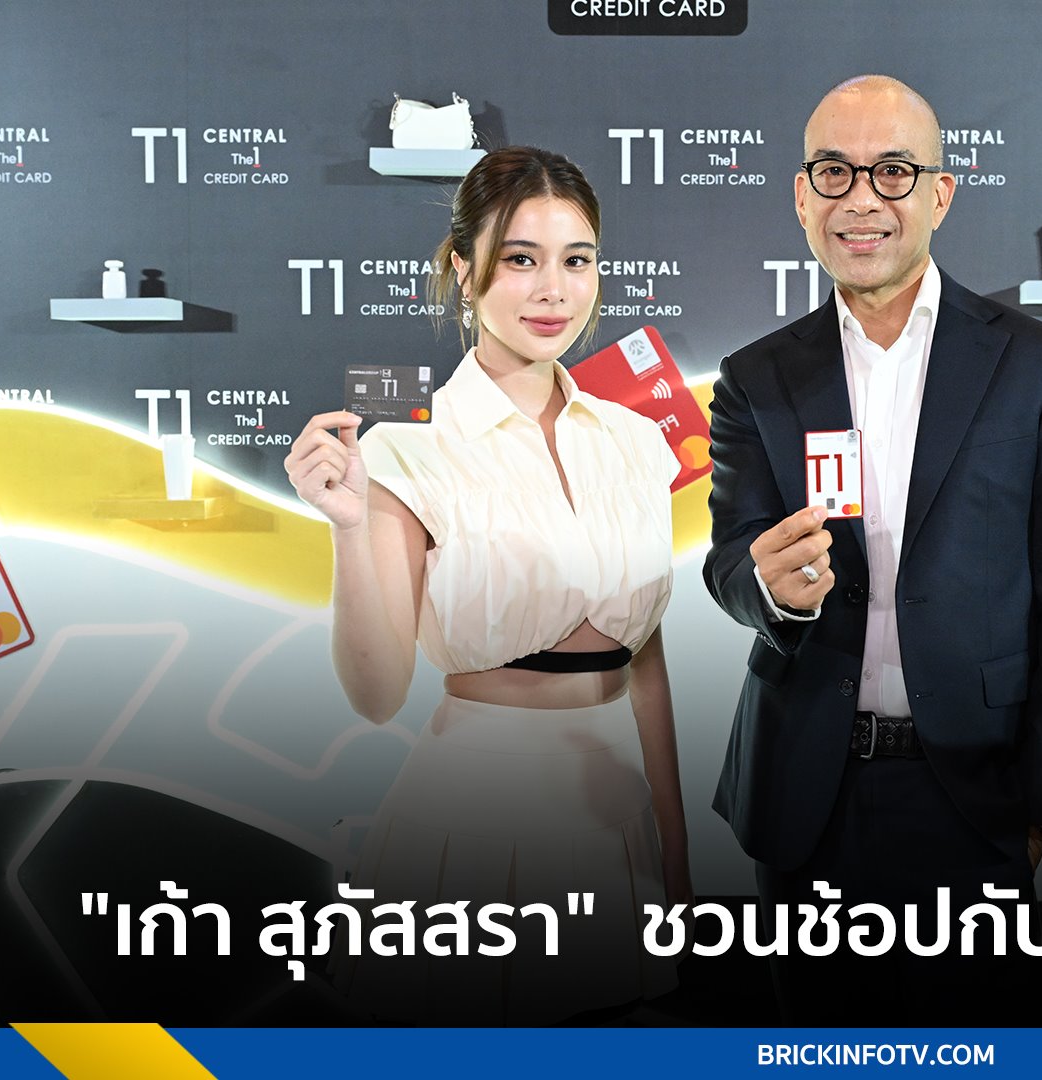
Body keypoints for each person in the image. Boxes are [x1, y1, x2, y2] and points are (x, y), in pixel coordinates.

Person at [702, 75, 1042, 1024]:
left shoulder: (1039, 364)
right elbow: (730, 560)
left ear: (940, 193)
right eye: (835, 172)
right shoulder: (756, 376)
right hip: (804, 797)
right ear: (801, 196)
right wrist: (769, 589)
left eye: (893, 171)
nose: (863, 199)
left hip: (979, 796)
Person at [283, 146, 689, 1024]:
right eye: (521, 259)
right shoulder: (406, 451)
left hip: (619, 817)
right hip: (470, 819)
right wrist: (349, 530)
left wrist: (677, 848)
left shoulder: (635, 442)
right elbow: (377, 697)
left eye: (576, 261)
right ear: (463, 270)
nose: (553, 291)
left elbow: (646, 665)